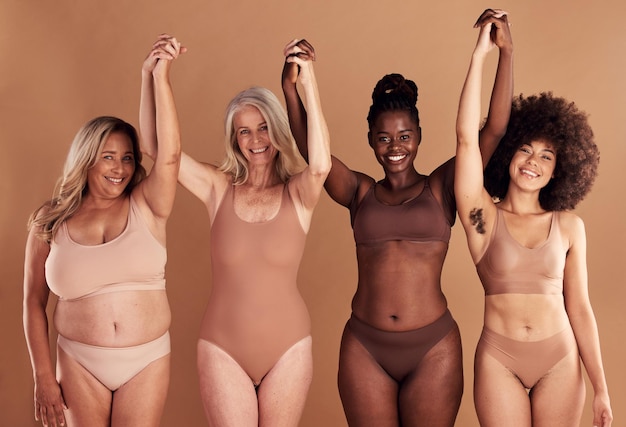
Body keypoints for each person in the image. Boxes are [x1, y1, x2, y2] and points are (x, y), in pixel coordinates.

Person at [281, 10, 513, 426]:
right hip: (364, 347)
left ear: (419, 136)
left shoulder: (442, 187)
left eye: (404, 136)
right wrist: (291, 88)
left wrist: (503, 53)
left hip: (433, 347)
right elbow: (312, 154)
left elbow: (492, 131)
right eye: (384, 138)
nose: (395, 147)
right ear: (371, 139)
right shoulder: (359, 192)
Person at [140, 38, 331, 426]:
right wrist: (156, 76)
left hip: (288, 348)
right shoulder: (218, 188)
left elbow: (320, 166)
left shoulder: (298, 192)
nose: (255, 140)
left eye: (262, 128)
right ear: (234, 139)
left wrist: (308, 79)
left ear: (276, 130)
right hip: (222, 347)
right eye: (244, 132)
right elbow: (156, 151)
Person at [455, 13, 613, 427]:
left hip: (559, 359)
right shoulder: (481, 217)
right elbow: (468, 139)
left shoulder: (569, 227)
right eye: (526, 149)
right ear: (509, 153)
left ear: (560, 168)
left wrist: (601, 388)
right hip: (498, 359)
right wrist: (482, 55)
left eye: (547, 155)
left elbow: (579, 307)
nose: (533, 162)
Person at [22, 35, 183, 427]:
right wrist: (43, 376)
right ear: (87, 160)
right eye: (108, 157)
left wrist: (156, 76)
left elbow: (169, 155)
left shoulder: (147, 205)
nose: (120, 168)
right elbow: (31, 302)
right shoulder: (50, 219)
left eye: (127, 158)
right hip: (78, 361)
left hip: (146, 359)